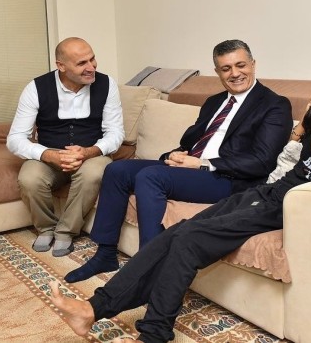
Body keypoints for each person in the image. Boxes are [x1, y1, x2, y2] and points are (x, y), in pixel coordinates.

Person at [50, 90, 311, 343]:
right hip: (264, 195)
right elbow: (304, 130)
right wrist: (307, 127)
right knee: (179, 231)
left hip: (283, 211)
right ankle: (93, 309)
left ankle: (154, 333)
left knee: (188, 240)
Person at [64, 39, 293, 283]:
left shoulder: (274, 105)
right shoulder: (215, 102)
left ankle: (147, 270)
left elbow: (262, 161)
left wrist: (203, 163)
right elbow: (191, 142)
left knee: (151, 177)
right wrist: (175, 154)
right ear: (217, 72)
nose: (235, 74)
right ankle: (105, 253)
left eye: (241, 65)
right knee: (117, 170)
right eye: (226, 68)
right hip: (195, 168)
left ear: (253, 64)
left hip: (230, 179)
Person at [7, 37, 124, 257]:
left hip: (91, 155)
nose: (91, 67)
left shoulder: (107, 85)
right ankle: (46, 228)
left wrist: (88, 152)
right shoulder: (36, 88)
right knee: (29, 178)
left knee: (94, 173)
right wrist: (48, 155)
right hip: (49, 156)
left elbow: (115, 133)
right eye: (82, 63)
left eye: (92, 59)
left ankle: (66, 232)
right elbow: (15, 139)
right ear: (61, 66)